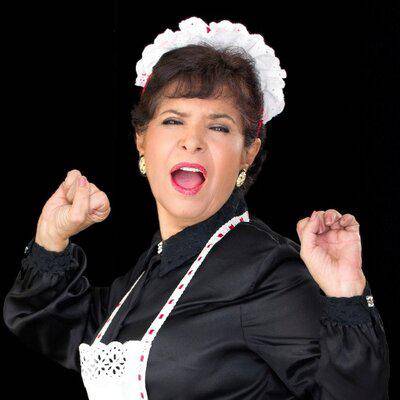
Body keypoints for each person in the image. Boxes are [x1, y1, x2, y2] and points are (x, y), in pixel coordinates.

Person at [3, 16, 389, 400]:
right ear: (141, 140)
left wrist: (345, 296)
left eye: (219, 127)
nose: (192, 141)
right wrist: (51, 236)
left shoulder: (268, 271)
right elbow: (59, 326)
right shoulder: (152, 271)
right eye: (173, 120)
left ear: (248, 153)